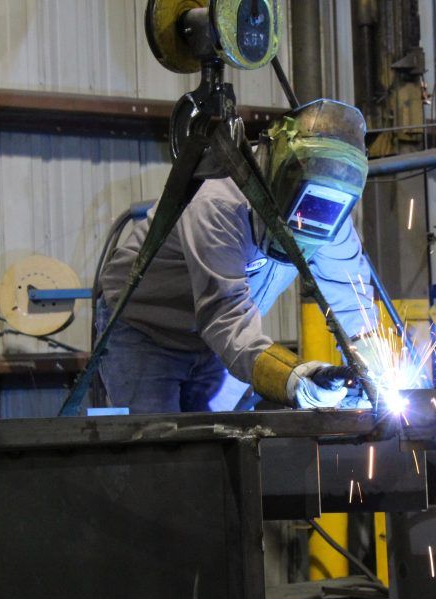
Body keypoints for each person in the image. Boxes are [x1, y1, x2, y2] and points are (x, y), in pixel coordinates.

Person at [96, 99, 383, 414]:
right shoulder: (218, 203)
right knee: (159, 447)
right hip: (145, 331)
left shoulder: (330, 211)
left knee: (224, 446)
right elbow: (225, 317)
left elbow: (352, 303)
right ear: (277, 183)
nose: (309, 223)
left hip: (218, 346)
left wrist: (374, 368)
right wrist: (294, 378)